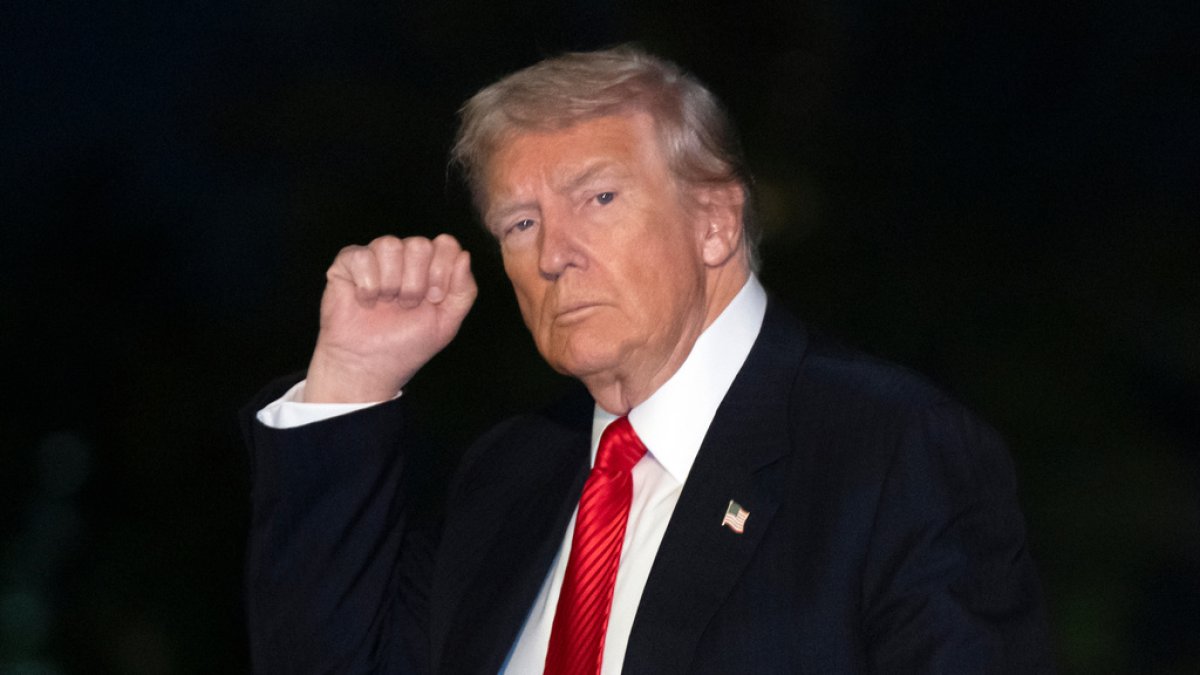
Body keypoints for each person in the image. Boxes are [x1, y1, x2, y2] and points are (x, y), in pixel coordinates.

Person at [243, 46, 1053, 674]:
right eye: (521, 223)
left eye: (598, 198)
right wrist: (352, 376)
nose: (553, 254)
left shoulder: (890, 451)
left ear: (714, 222)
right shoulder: (507, 476)